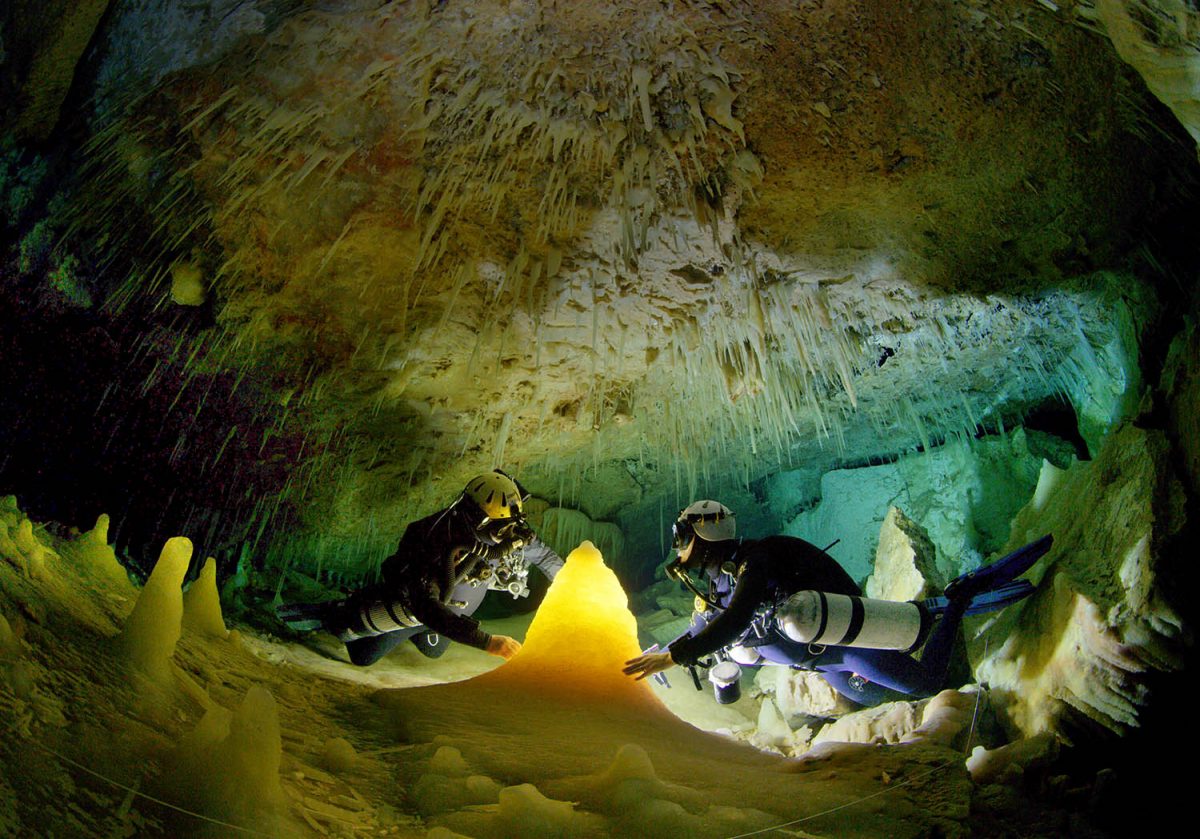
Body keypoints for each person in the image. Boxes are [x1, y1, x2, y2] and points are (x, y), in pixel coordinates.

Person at [623, 500, 1050, 707]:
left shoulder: (759, 558)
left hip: (848, 644)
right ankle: (938, 616)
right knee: (878, 701)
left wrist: (675, 658)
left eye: (682, 539)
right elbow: (706, 626)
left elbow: (735, 620)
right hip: (825, 665)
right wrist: (666, 650)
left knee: (924, 684)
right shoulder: (719, 585)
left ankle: (957, 599)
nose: (679, 551)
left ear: (704, 535)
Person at [277, 470, 563, 666]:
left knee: (434, 651)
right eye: (503, 528)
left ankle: (419, 634)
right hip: (417, 609)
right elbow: (425, 606)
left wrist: (576, 584)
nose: (511, 536)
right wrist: (487, 642)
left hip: (448, 614)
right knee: (363, 656)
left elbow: (545, 556)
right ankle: (338, 608)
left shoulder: (506, 533)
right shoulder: (431, 538)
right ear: (480, 521)